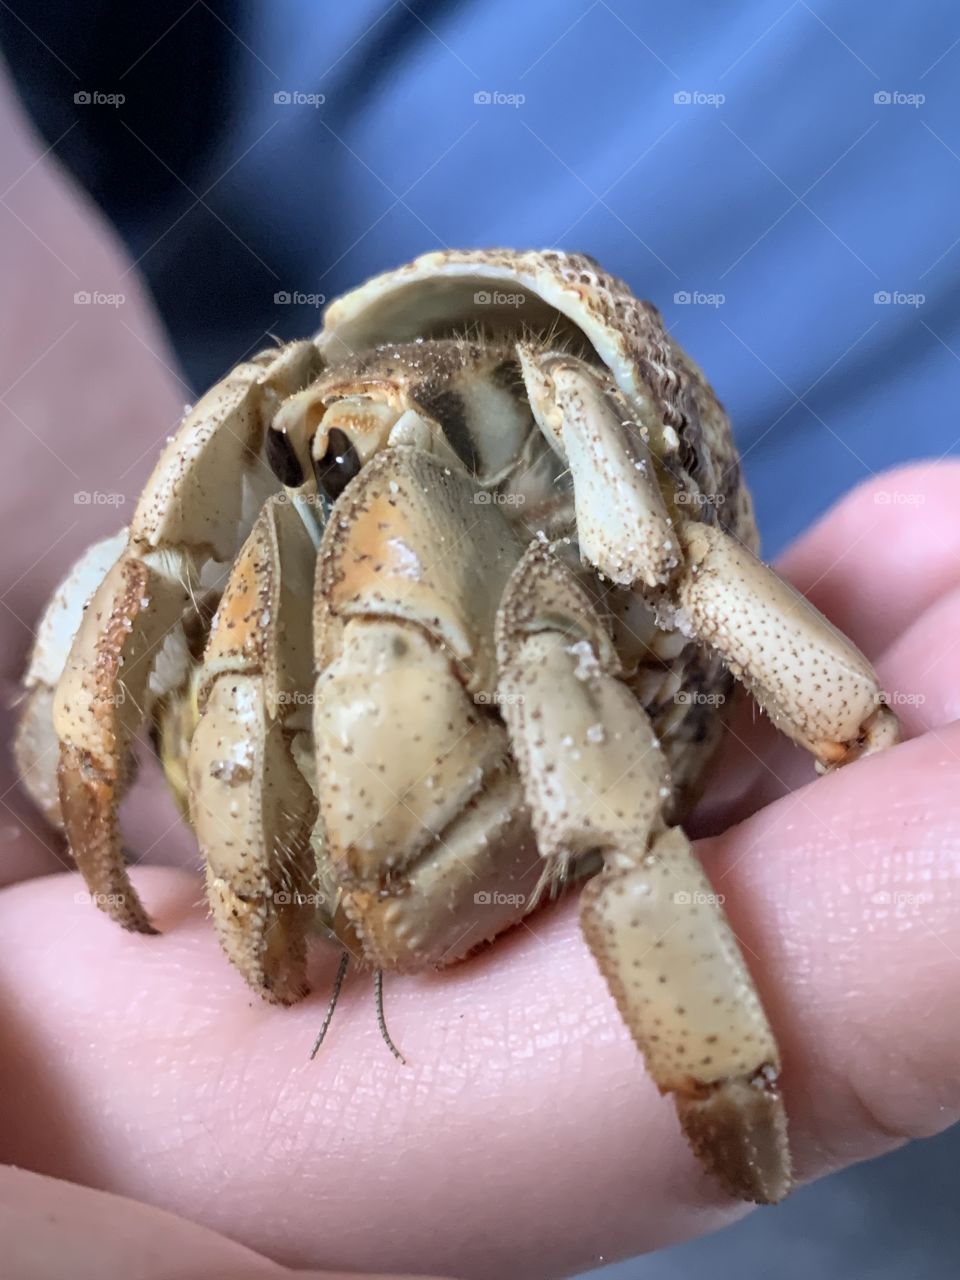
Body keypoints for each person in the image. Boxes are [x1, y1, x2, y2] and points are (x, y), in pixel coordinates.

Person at [1, 7, 958, 1277]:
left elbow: (663, 564)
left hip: (614, 545)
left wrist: (850, 727)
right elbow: (154, 555)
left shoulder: (551, 412)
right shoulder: (317, 466)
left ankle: (721, 1085)